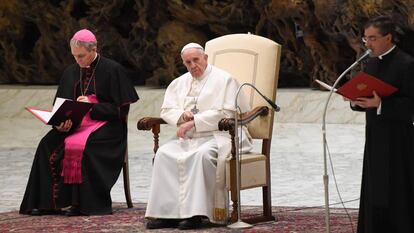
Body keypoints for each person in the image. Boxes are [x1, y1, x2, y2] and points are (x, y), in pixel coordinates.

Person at [19, 29, 139, 216]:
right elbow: (60, 106)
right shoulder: (71, 71)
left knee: (87, 148)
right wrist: (59, 123)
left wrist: (92, 106)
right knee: (46, 145)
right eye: (74, 56)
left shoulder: (113, 69)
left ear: (94, 49)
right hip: (75, 126)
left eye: (81, 56)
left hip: (108, 128)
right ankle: (45, 203)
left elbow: (121, 111)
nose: (77, 61)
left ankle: (83, 204)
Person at [145, 43, 252, 230]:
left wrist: (195, 121)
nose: (193, 65)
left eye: (196, 60)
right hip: (190, 137)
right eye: (188, 62)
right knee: (163, 154)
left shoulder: (225, 80)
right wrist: (182, 115)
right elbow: (167, 109)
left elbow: (229, 112)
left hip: (221, 135)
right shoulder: (179, 83)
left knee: (201, 156)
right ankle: (167, 214)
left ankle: (196, 214)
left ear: (205, 58)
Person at [351, 16, 414, 232]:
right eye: (365, 38)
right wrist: (355, 101)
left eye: (373, 38)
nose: (368, 44)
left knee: (397, 189)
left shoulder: (406, 64)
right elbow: (367, 97)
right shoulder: (370, 63)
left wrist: (382, 105)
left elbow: (411, 105)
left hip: (399, 140)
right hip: (375, 136)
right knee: (375, 187)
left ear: (388, 38)